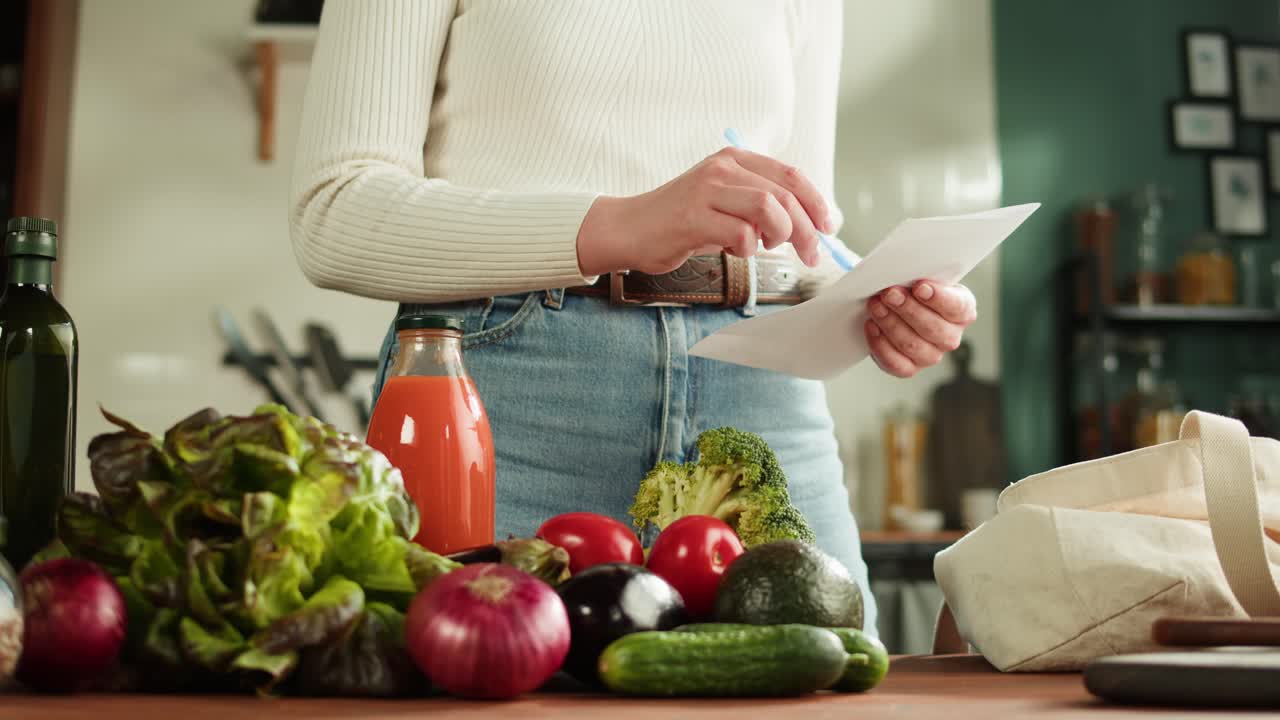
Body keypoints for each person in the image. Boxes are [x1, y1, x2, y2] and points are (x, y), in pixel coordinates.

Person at [289, 0, 978, 634]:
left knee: (834, 692)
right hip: (510, 394)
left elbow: (799, 231)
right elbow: (335, 210)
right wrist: (622, 223)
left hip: (760, 382)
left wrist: (886, 293)